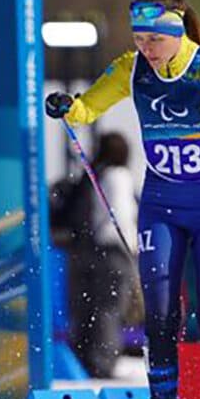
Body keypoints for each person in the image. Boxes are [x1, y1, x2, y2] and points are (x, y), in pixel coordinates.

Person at [44, 0, 200, 399]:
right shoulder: (132, 68)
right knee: (159, 318)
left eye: (154, 39)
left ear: (176, 32)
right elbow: (88, 107)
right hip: (163, 204)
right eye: (139, 39)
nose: (146, 48)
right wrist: (66, 106)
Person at [68, 132, 136, 378]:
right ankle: (102, 363)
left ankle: (83, 360)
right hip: (113, 252)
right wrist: (131, 248)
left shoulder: (92, 175)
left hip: (86, 251)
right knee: (109, 309)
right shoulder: (119, 176)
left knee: (87, 309)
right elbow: (121, 216)